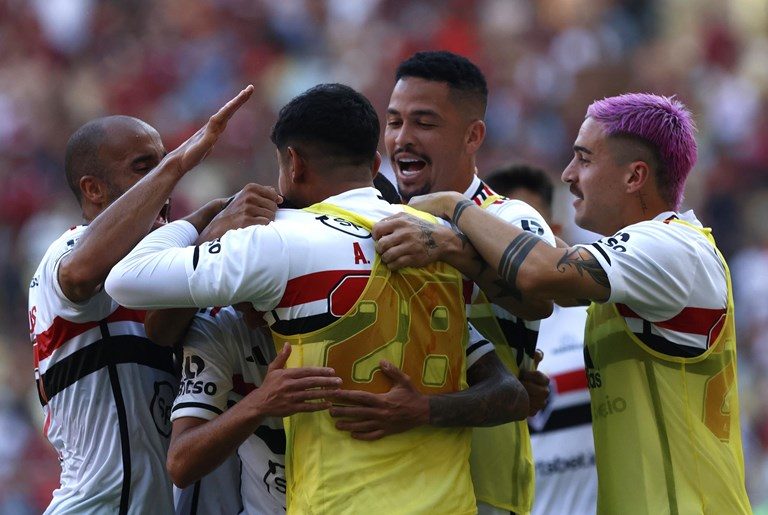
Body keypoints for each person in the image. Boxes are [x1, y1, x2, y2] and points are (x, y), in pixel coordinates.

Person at [104, 83, 529, 514]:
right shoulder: (432, 241)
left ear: (294, 163)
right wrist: (424, 410)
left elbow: (126, 278)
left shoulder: (281, 242)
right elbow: (511, 391)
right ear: (375, 162)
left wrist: (208, 218)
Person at [397, 93, 752, 514]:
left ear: (634, 176)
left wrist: (454, 204)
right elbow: (542, 291)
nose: (568, 175)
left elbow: (537, 269)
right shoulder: (641, 263)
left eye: (584, 159)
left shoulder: (672, 248)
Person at [27, 86, 282, 514]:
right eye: (145, 168)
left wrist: (217, 227)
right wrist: (181, 162)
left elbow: (170, 320)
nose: (167, 183)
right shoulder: (66, 253)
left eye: (165, 164)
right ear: (93, 190)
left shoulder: (164, 273)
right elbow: (81, 273)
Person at [375, 50, 553, 515]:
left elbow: (539, 298)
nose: (403, 139)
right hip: (389, 485)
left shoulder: (510, 219)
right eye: (394, 122)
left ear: (473, 135)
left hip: (483, 491)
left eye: (424, 123)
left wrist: (453, 247)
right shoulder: (373, 221)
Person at [485, 164, 597, 515]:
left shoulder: (592, 319)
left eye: (527, 233)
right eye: (500, 234)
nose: (514, 249)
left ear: (556, 234)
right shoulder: (467, 326)